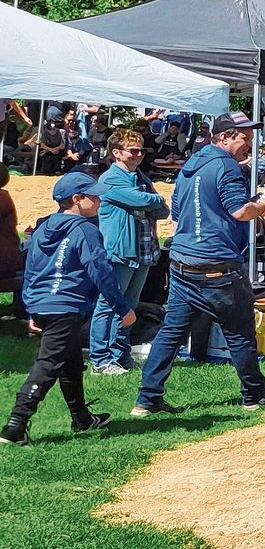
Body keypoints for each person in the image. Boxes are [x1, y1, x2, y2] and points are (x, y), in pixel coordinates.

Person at [135, 113, 265, 416]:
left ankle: (147, 398)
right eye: (243, 136)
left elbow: (177, 215)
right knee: (240, 332)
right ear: (224, 138)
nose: (249, 142)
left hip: (183, 262)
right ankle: (254, 394)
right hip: (216, 265)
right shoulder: (226, 166)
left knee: (171, 333)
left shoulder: (191, 166)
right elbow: (240, 211)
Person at [2, 173, 129, 445]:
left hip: (45, 304)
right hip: (66, 305)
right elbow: (100, 270)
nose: (98, 199)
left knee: (70, 361)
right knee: (48, 364)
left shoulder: (43, 227)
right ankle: (16, 424)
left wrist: (31, 308)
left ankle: (81, 418)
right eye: (93, 195)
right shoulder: (85, 229)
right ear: (76, 199)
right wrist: (122, 308)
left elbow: (31, 269)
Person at [87, 130, 165, 375]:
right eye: (134, 150)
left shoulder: (140, 177)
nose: (139, 155)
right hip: (119, 251)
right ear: (116, 153)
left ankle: (121, 355)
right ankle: (100, 360)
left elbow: (164, 211)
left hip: (143, 251)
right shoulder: (110, 180)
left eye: (142, 150)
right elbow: (146, 201)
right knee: (110, 304)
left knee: (130, 306)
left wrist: (150, 201)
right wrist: (152, 200)